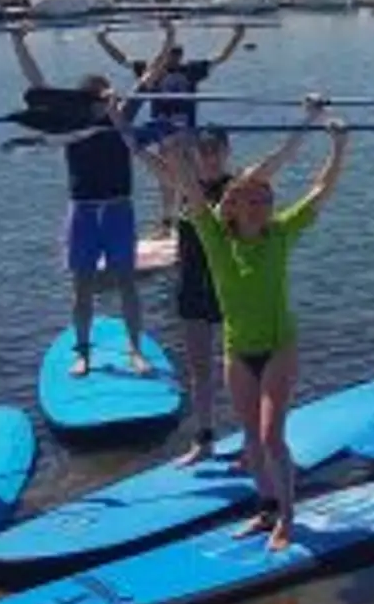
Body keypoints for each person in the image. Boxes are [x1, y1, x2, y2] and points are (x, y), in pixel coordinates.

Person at [142, 100, 350, 551]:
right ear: (232, 208)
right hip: (238, 351)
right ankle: (266, 508)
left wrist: (338, 146)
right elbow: (191, 192)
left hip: (279, 347)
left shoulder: (281, 232)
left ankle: (288, 521)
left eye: (266, 199)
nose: (261, 206)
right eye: (252, 200)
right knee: (251, 441)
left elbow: (320, 189)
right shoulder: (215, 239)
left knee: (273, 436)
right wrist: (177, 151)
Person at [136, 110, 317, 466]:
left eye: (216, 150)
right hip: (192, 284)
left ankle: (258, 442)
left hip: (234, 289)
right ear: (194, 154)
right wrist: (118, 118)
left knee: (245, 367)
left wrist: (309, 118)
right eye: (203, 151)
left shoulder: (242, 187)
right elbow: (139, 151)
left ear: (226, 151)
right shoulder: (183, 183)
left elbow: (282, 155)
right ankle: (204, 440)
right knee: (200, 368)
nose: (210, 156)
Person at [11, 23, 172, 376]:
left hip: (118, 209)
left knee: (127, 283)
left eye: (108, 96)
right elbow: (38, 86)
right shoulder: (70, 123)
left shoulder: (123, 116)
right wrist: (18, 42)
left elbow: (150, 75)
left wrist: (169, 36)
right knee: (81, 287)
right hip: (82, 213)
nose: (107, 102)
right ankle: (82, 353)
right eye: (100, 98)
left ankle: (135, 350)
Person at [97, 19, 248, 239]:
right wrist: (104, 40)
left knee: (189, 176)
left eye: (176, 57)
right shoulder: (151, 69)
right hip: (162, 134)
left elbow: (221, 58)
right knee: (166, 181)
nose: (173, 61)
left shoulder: (191, 71)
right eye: (170, 57)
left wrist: (237, 36)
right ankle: (168, 223)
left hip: (186, 135)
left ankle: (193, 217)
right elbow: (121, 59)